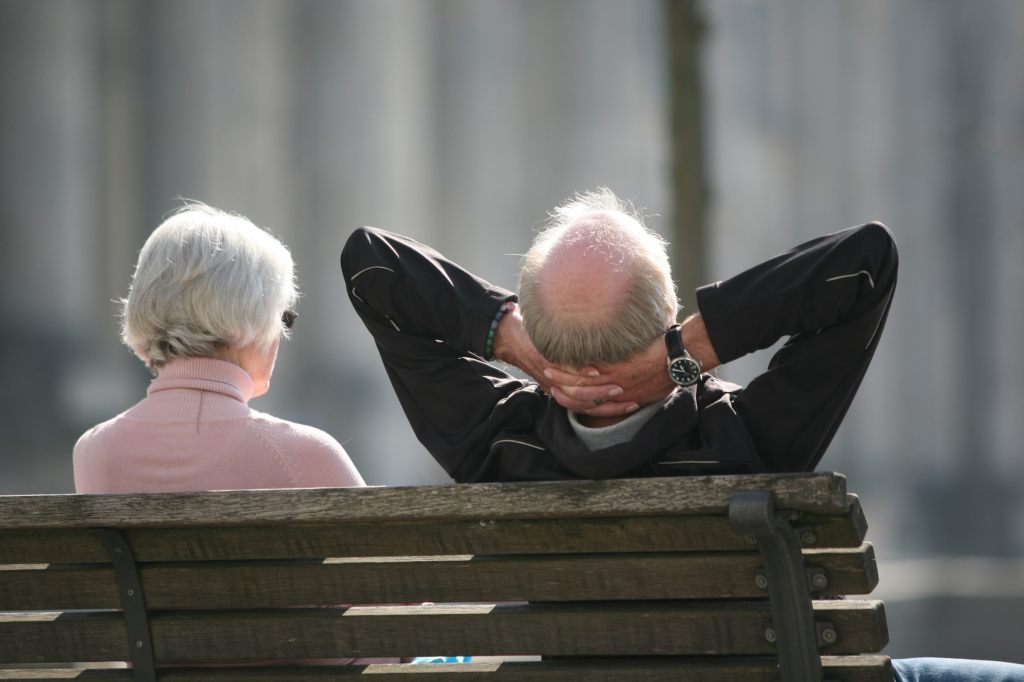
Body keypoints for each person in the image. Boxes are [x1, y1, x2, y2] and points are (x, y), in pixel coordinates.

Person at [341, 188, 1024, 681]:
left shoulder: (494, 442)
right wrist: (684, 356)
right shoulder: (743, 440)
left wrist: (516, 344)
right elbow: (866, 262)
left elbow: (371, 265)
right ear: (670, 311)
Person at [75, 202, 364, 493]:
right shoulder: (305, 453)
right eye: (282, 317)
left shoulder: (93, 450)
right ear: (254, 316)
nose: (281, 335)